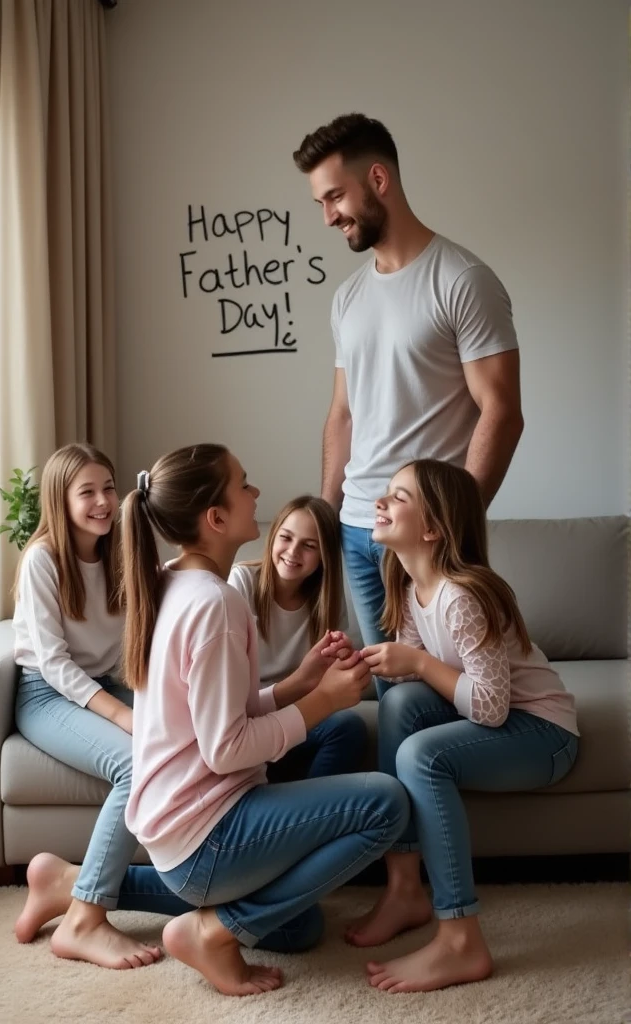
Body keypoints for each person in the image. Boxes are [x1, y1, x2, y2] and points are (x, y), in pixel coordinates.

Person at [20, 444, 410, 997]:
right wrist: (322, 704)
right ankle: (216, 929)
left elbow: (213, 712)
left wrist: (297, 686)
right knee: (386, 802)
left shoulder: (173, 580)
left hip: (179, 832)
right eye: (244, 484)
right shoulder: (215, 604)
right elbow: (225, 749)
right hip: (207, 833)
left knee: (299, 927)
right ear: (217, 518)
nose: (256, 493)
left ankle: (71, 884)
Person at [293, 113, 524, 696]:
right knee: (395, 697)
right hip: (353, 529)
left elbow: (502, 410)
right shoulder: (347, 298)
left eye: (335, 196)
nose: (328, 216)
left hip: (424, 535)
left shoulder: (463, 279)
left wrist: (453, 526)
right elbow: (343, 414)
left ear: (378, 179)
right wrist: (325, 515)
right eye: (320, 202)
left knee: (442, 692)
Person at [345, 458, 578, 993]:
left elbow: (493, 706)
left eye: (398, 497)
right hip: (504, 721)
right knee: (398, 707)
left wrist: (419, 663)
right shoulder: (408, 589)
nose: (380, 502)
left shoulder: (463, 594)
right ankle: (405, 888)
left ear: (432, 528)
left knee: (420, 756)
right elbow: (419, 688)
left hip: (544, 734)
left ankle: (460, 938)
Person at [13, 443, 161, 970]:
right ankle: (86, 919)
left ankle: (60, 881)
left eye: (109, 488)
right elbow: (53, 664)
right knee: (134, 761)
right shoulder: (42, 560)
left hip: (101, 683)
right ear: (61, 499)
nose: (103, 501)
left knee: (173, 743)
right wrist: (123, 715)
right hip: (45, 694)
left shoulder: (121, 549)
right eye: (88, 492)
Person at [228, 494, 367, 780]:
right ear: (273, 537)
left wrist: (341, 661)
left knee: (348, 728)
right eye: (286, 538)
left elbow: (323, 682)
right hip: (249, 714)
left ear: (323, 555)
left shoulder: (326, 600)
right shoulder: (242, 581)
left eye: (309, 546)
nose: (292, 552)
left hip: (293, 711)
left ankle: (312, 810)